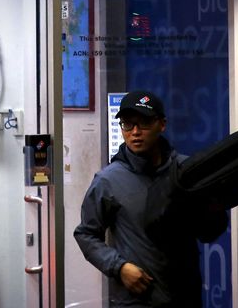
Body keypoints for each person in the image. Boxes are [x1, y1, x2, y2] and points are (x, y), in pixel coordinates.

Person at [74, 90, 228, 308]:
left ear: (161, 124)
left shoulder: (185, 172)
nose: (135, 132)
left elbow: (210, 231)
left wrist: (213, 209)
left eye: (144, 123)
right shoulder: (107, 180)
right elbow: (86, 234)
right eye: (128, 124)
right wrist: (119, 267)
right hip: (135, 300)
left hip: (185, 297)